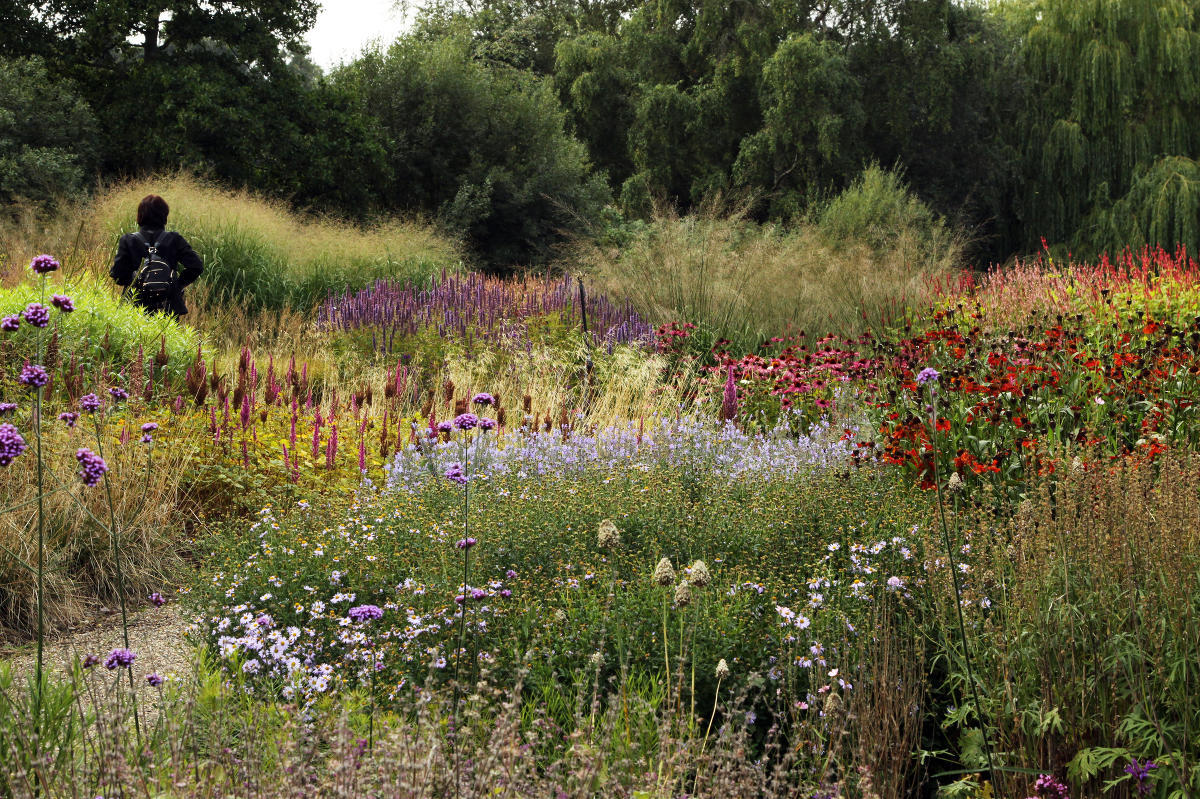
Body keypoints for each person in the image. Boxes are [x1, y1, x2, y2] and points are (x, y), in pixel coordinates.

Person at [110, 194, 203, 317]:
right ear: (164, 215)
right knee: (165, 336)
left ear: (140, 215)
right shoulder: (174, 239)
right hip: (167, 306)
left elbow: (118, 275)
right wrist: (176, 285)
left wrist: (134, 282)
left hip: (135, 306)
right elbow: (196, 266)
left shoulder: (128, 240)